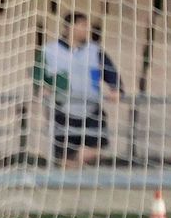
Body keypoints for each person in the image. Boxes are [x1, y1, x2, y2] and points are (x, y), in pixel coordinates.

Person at [34, 12, 121, 168]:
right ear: (69, 27)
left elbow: (111, 72)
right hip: (63, 109)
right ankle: (71, 167)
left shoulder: (95, 51)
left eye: (87, 25)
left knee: (96, 149)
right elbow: (38, 75)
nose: (87, 29)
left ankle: (79, 160)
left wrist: (116, 88)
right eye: (83, 25)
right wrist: (41, 88)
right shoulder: (50, 51)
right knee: (65, 157)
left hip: (91, 108)